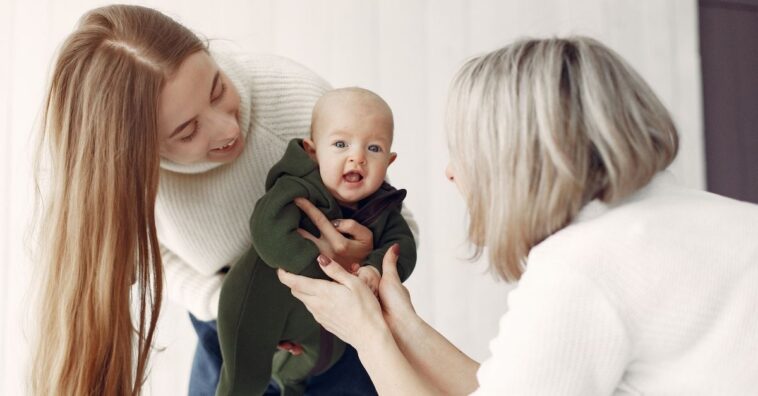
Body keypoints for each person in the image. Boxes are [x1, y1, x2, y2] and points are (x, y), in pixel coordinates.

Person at [278, 36, 758, 395]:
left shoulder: (582, 267)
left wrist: (367, 335)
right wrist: (401, 323)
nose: (450, 172)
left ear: (511, 156)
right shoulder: (717, 218)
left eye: (464, 151)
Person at [30, 5, 417, 395]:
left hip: (338, 329)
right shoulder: (119, 174)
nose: (228, 127)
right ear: (140, 150)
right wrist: (226, 306)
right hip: (226, 331)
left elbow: (396, 215)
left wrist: (363, 259)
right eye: (187, 131)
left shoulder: (295, 97)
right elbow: (152, 256)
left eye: (218, 89)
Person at [216, 87, 416, 396]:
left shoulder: (384, 208)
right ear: (312, 151)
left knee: (315, 363)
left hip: (321, 320)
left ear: (389, 161)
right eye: (340, 144)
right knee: (244, 380)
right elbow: (267, 229)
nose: (357, 157)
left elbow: (401, 247)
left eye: (373, 149)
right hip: (257, 304)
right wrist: (327, 269)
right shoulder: (295, 189)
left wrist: (375, 269)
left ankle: (291, 386)